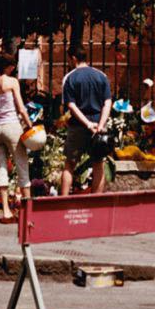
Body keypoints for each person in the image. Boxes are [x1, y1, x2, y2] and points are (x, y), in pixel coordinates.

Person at [59, 46, 111, 198]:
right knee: (98, 164)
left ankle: (63, 200)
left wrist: (87, 124)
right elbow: (107, 103)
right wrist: (100, 125)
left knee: (70, 164)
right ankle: (96, 202)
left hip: (77, 126)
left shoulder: (70, 78)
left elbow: (70, 105)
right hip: (98, 124)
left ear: (73, 58)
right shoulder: (101, 76)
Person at [0, 50, 31, 218]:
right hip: (12, 126)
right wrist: (30, 125)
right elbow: (20, 108)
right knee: (22, 166)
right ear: (8, 67)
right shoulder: (12, 82)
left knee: (1, 168)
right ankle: (27, 210)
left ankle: (5, 211)